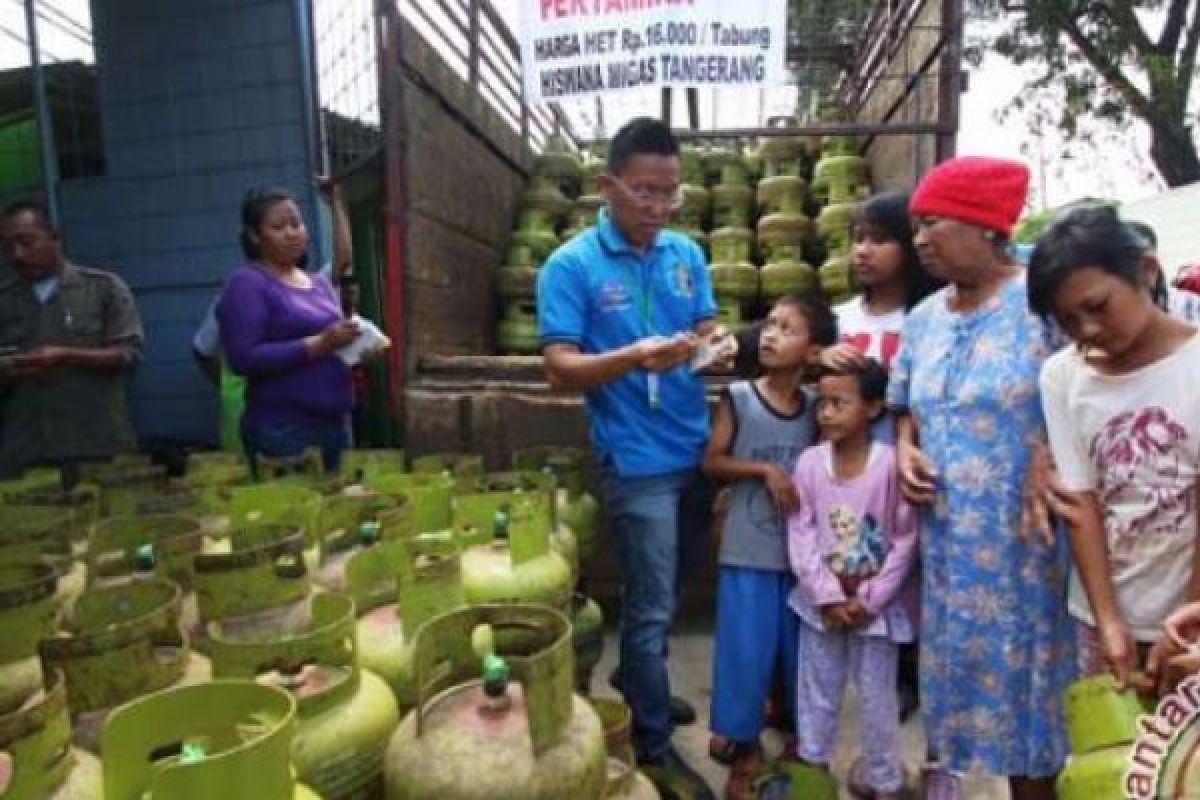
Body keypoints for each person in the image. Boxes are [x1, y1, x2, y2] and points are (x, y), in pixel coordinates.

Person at [537, 117, 721, 797]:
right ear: (606, 186)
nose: (659, 206)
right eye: (645, 192)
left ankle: (638, 681)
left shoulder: (685, 254)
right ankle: (650, 742)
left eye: (670, 193)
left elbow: (704, 324)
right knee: (646, 609)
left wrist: (712, 344)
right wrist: (635, 356)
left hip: (694, 445)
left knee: (671, 588)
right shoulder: (572, 266)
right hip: (635, 458)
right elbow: (559, 367)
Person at [890, 156, 1074, 800]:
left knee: (1032, 699)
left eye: (932, 223)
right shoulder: (924, 319)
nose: (918, 240)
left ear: (986, 226)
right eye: (916, 226)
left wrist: (1049, 453)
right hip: (950, 549)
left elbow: (1087, 391)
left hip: (1028, 547)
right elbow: (905, 407)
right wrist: (905, 449)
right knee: (964, 693)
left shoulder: (1047, 307)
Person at [1029, 205, 1200, 696]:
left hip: (1190, 611)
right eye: (1067, 320)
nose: (1087, 329)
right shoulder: (1062, 377)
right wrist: (1108, 621)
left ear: (1146, 272)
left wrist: (1187, 624)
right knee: (1117, 761)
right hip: (1103, 614)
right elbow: (1079, 502)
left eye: (1098, 307)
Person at [702, 294, 835, 799]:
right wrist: (763, 470)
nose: (773, 335)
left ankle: (799, 740)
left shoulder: (816, 410)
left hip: (800, 557)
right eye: (771, 325)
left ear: (813, 349)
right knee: (744, 652)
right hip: (746, 550)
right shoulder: (739, 396)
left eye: (788, 328)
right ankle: (743, 747)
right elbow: (712, 461)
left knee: (798, 652)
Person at [788, 359, 916, 800]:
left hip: (873, 612)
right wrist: (825, 595)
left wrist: (871, 599)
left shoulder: (889, 468)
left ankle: (884, 782)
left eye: (838, 403)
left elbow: (904, 538)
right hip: (820, 608)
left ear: (874, 408)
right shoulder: (808, 465)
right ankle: (814, 777)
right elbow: (800, 532)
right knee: (816, 693)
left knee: (877, 699)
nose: (825, 413)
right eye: (821, 404)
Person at [194, 177, 353, 452]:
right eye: (278, 227)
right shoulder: (247, 283)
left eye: (297, 224)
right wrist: (320, 343)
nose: (292, 233)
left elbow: (344, 260)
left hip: (334, 424)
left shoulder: (318, 284)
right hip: (284, 430)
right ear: (255, 236)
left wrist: (357, 346)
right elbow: (243, 358)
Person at [0, 201, 144, 479]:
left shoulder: (103, 289)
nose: (17, 255)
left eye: (26, 242)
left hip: (96, 445)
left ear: (55, 238)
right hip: (28, 451)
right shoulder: (4, 300)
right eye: (7, 248)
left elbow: (129, 354)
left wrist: (67, 355)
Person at [821, 190, 942, 376]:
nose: (863, 251)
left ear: (910, 245)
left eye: (879, 240)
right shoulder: (837, 319)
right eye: (858, 240)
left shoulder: (934, 320)